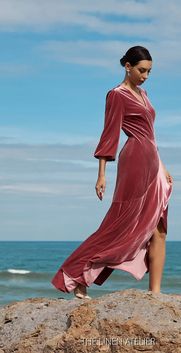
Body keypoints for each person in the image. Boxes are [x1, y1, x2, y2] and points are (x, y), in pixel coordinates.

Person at [51, 46, 173, 299]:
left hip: (153, 162)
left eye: (149, 71)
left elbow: (151, 135)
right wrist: (102, 174)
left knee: (159, 228)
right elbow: (110, 133)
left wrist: (162, 165)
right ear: (127, 66)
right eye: (141, 70)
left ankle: (156, 295)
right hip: (135, 162)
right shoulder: (116, 95)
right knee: (120, 224)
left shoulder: (145, 94)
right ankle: (75, 274)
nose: (145, 76)